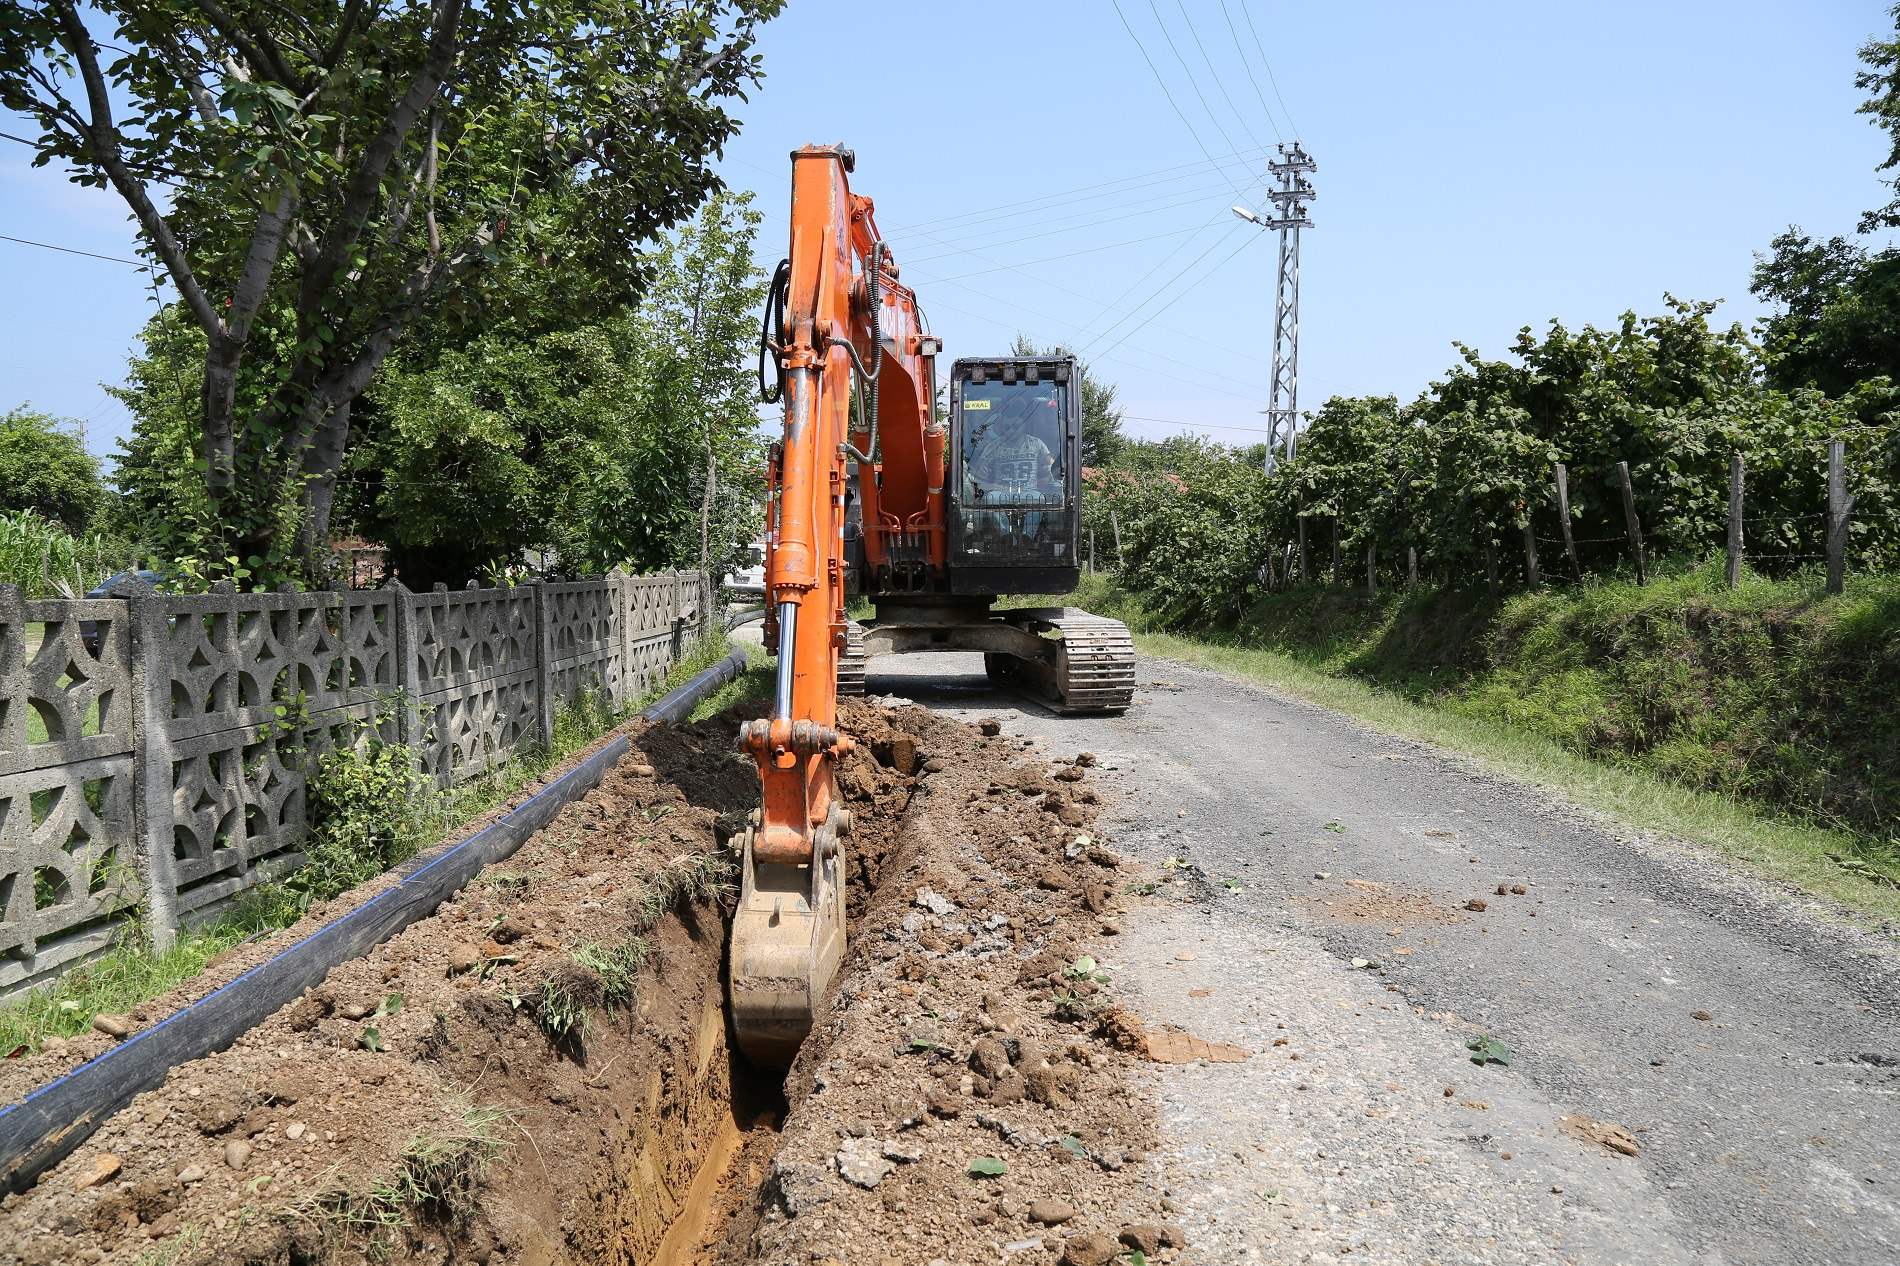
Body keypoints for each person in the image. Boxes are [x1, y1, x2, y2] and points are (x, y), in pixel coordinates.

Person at [967, 395, 1058, 504]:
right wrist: (983, 473)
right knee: (991, 498)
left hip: (1028, 493)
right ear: (1001, 427)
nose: (1011, 430)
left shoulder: (1036, 444)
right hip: (1001, 493)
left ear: (1024, 425)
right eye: (1007, 427)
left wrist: (1049, 476)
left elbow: (1051, 467)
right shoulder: (993, 446)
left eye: (1015, 426)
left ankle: (1030, 522)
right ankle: (1002, 522)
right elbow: (979, 473)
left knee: (1038, 498)